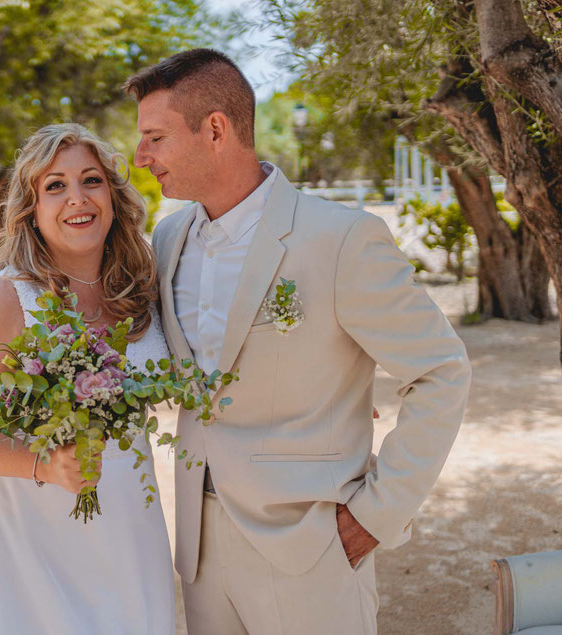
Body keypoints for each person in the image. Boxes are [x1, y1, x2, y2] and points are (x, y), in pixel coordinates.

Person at [130, 48, 471, 634]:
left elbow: (441, 371)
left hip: (310, 548)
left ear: (215, 129)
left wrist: (378, 514)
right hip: (198, 550)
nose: (142, 156)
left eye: (155, 137)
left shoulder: (341, 239)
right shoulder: (167, 239)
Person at [0, 124, 175, 634]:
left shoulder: (142, 283)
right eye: (55, 186)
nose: (77, 198)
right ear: (32, 209)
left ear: (113, 194)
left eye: (92, 180)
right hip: (29, 538)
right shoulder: (4, 299)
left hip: (127, 522)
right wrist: (43, 464)